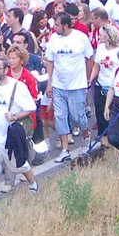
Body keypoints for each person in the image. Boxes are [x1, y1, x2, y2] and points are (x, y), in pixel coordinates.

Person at [0, 55, 38, 207]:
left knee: (18, 164)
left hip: (11, 135)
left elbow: (31, 108)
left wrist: (15, 116)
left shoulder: (17, 87)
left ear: (6, 69)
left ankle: (33, 183)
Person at [44, 12, 95, 162]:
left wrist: (87, 78)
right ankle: (65, 149)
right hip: (59, 84)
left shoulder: (80, 38)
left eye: (57, 24)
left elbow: (89, 58)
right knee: (59, 116)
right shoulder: (53, 39)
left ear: (66, 26)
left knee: (77, 116)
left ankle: (86, 135)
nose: (54, 27)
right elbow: (50, 61)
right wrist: (49, 83)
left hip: (77, 84)